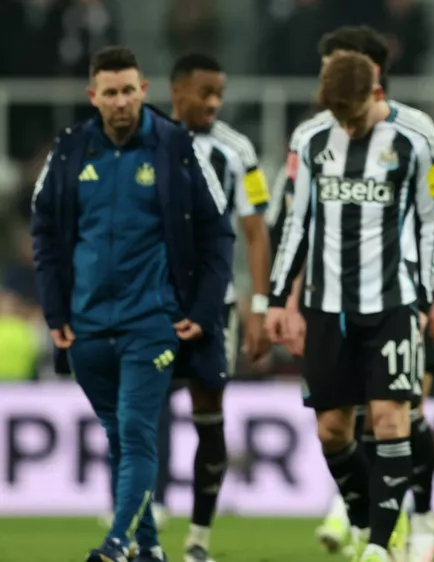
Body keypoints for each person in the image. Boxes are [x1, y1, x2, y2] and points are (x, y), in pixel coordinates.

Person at [31, 46, 233, 562]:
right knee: (119, 440)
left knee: (138, 432)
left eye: (129, 91)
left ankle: (116, 542)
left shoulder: (178, 147)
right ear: (92, 96)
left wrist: (205, 312)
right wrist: (56, 314)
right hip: (88, 325)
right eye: (110, 92)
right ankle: (148, 547)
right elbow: (46, 234)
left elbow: (217, 236)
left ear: (144, 91)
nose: (121, 102)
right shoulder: (70, 150)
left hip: (153, 320)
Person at [269, 26, 434, 561]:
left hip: (393, 304)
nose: (346, 126)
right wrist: (279, 300)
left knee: (393, 417)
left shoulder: (413, 142)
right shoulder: (310, 141)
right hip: (327, 308)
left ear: (374, 92)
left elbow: (431, 221)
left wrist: (428, 296)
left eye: (352, 114)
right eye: (337, 115)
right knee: (332, 431)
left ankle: (380, 544)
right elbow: (296, 225)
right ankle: (364, 513)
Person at [165, 52, 272, 562]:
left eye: (219, 94)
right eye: (204, 92)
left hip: (216, 306)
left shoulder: (237, 149)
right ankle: (139, 525)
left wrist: (258, 304)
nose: (213, 102)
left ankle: (198, 539)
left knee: (210, 412)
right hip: (154, 304)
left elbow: (255, 232)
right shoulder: (148, 143)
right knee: (142, 412)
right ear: (176, 92)